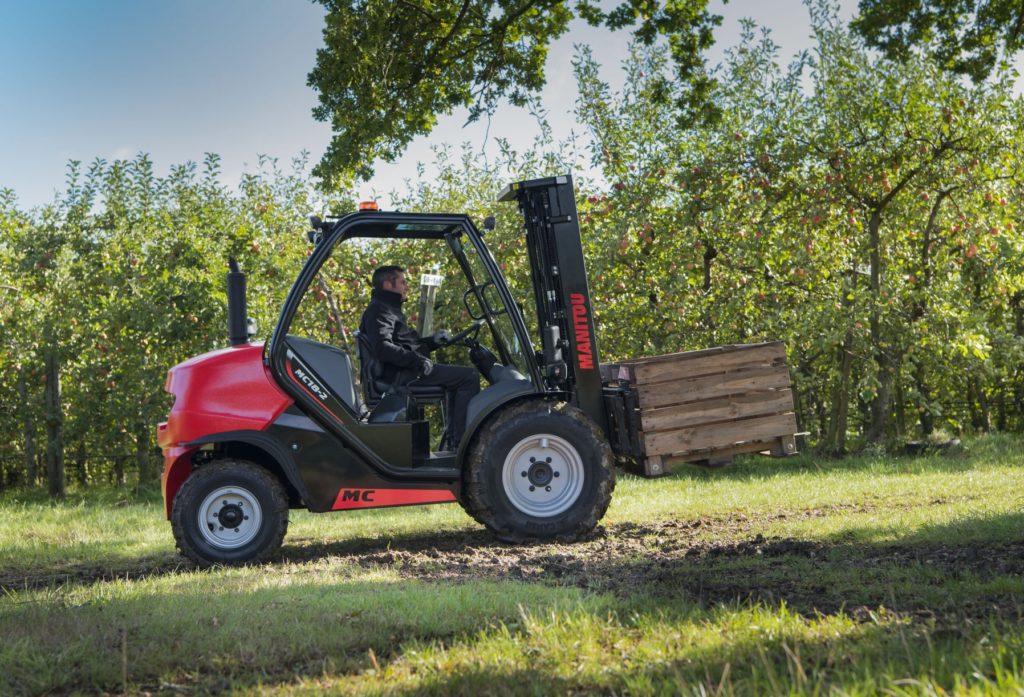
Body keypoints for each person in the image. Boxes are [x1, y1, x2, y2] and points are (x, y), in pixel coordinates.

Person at [359, 265, 480, 446]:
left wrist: (433, 341)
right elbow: (383, 348)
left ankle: (454, 441)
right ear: (387, 284)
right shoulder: (379, 311)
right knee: (468, 377)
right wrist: (417, 360)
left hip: (408, 369)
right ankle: (462, 442)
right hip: (402, 376)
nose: (406, 287)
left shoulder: (388, 308)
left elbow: (406, 345)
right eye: (403, 282)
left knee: (459, 379)